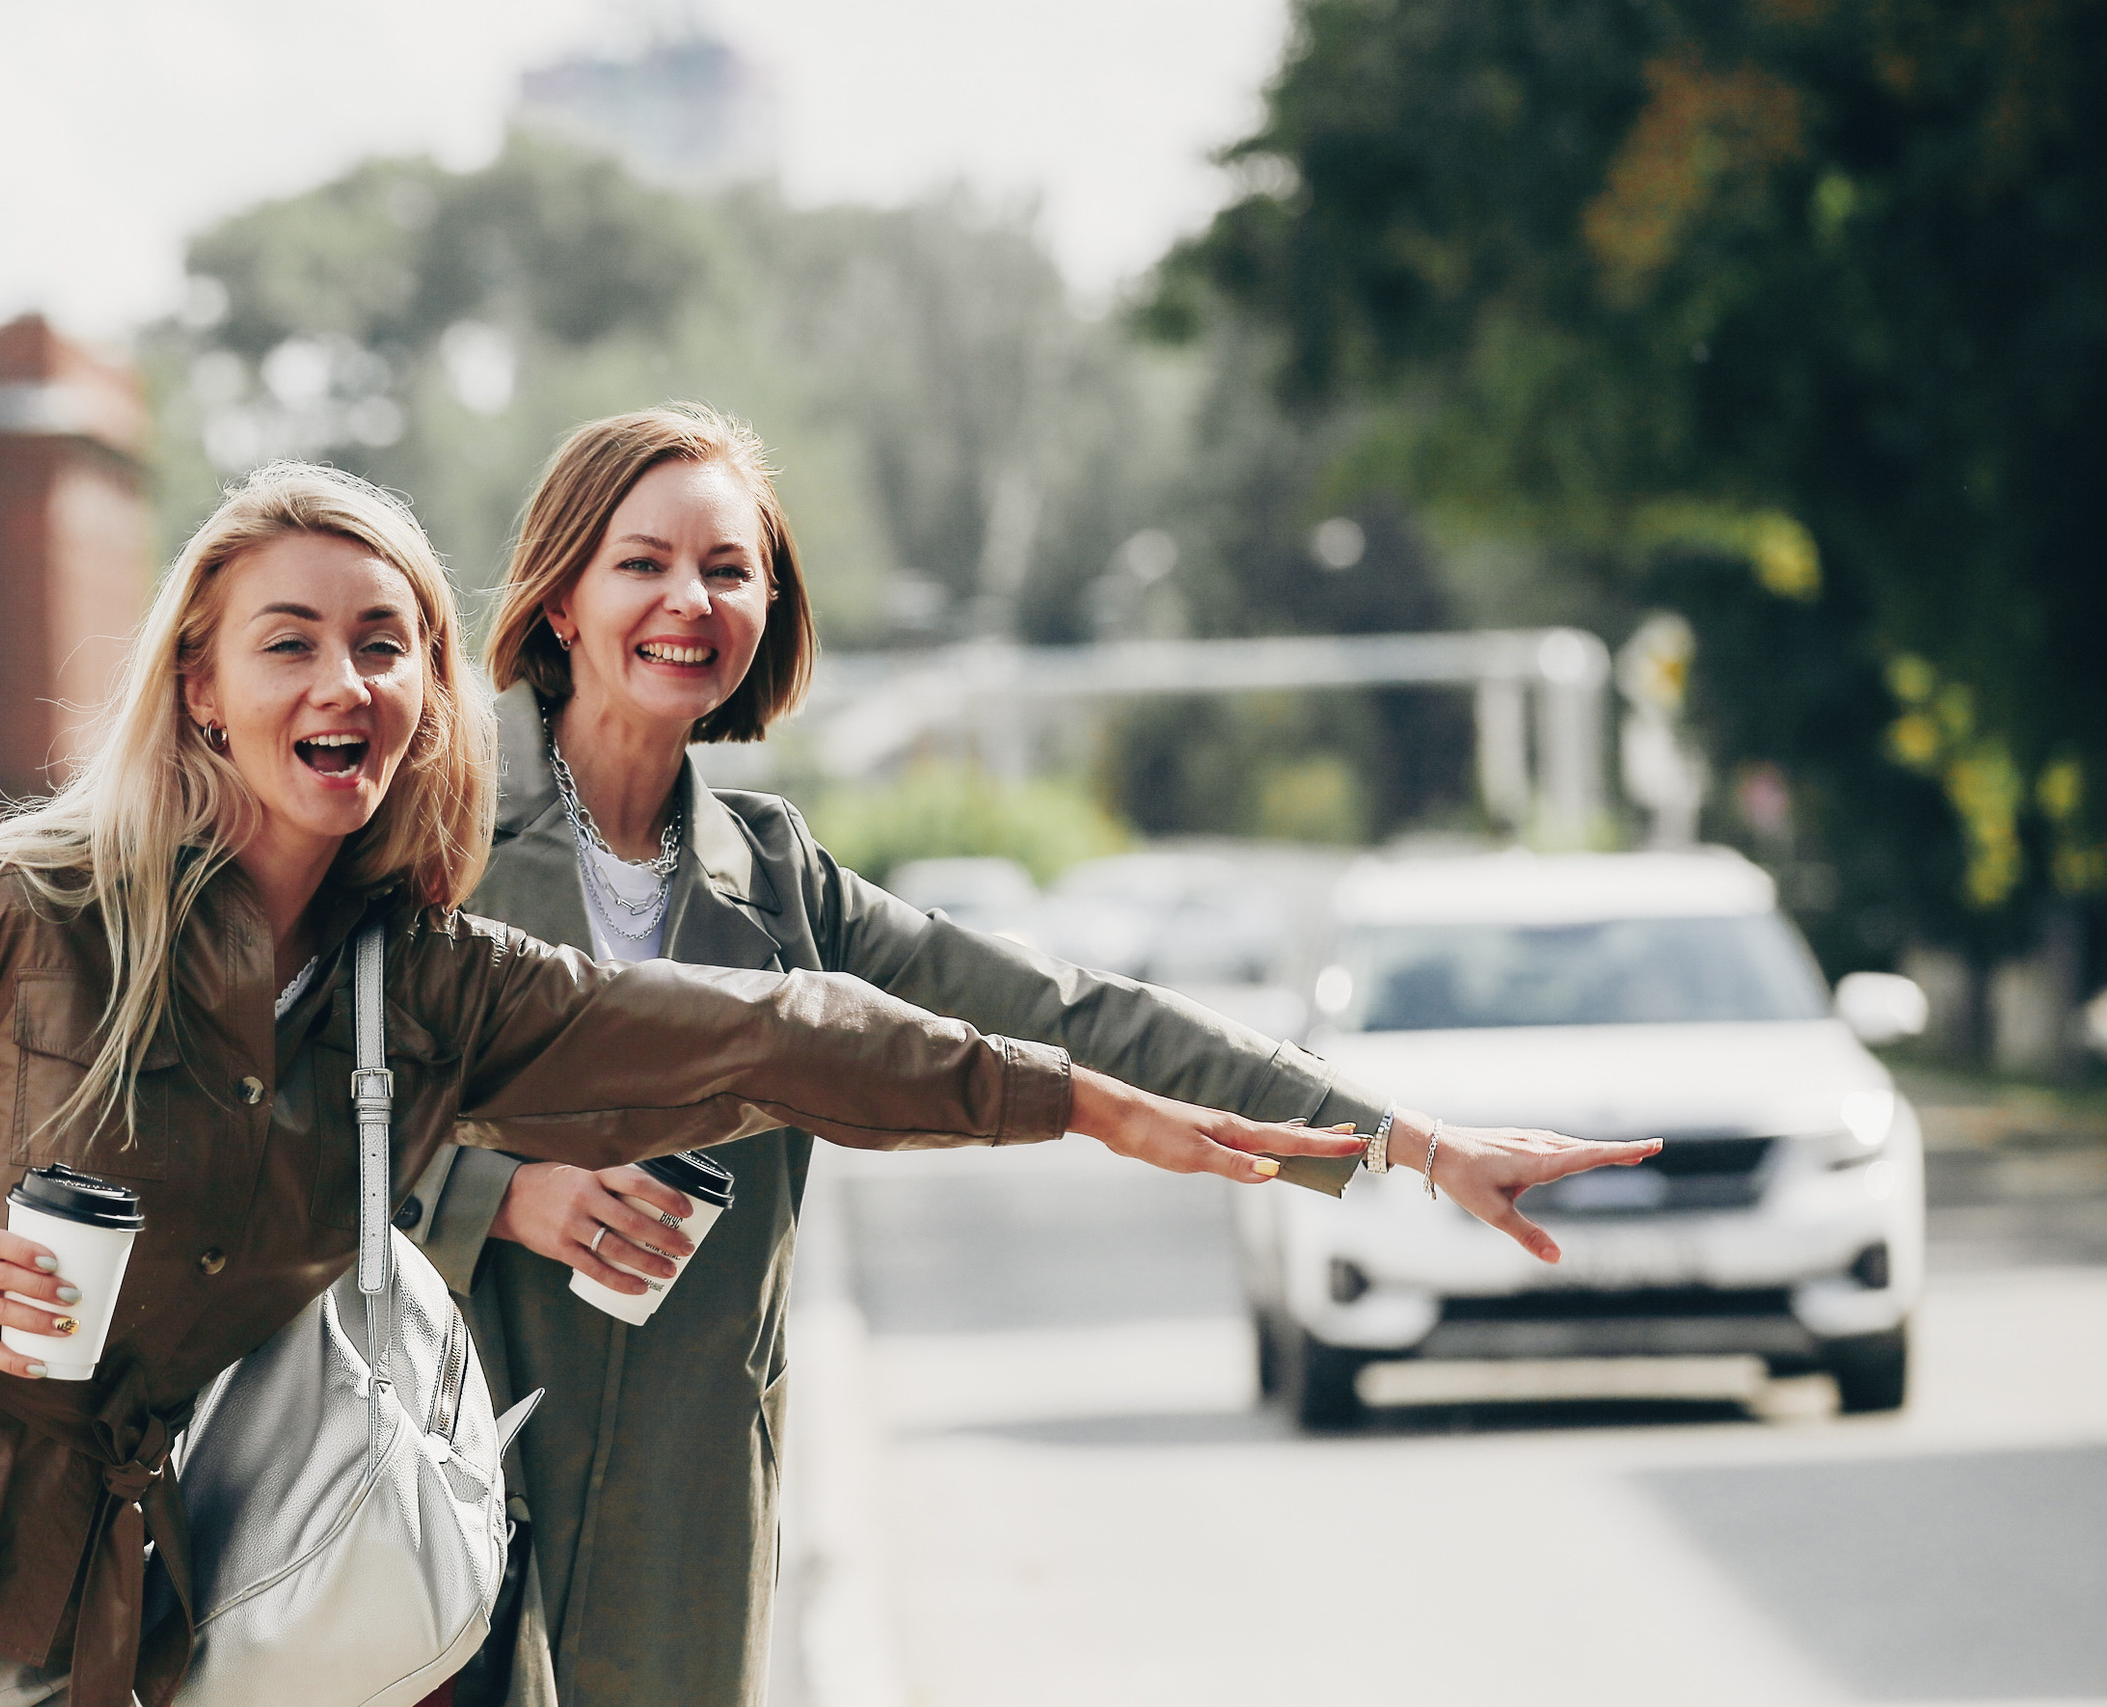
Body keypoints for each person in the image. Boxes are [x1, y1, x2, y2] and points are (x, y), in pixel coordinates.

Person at [0, 463, 1364, 1707]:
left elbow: (771, 1033)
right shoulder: (22, 910)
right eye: (289, 642)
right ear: (205, 692)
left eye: (384, 645)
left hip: (77, 1577)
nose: (344, 682)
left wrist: (1081, 1100)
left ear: (428, 700)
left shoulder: (433, 986)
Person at [408, 405, 1658, 1707]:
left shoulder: (778, 881)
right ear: (559, 600)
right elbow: (270, 1104)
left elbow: (1073, 1015)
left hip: (688, 1475)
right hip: (441, 1432)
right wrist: (506, 1198)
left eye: (729, 569)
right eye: (644, 563)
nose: (691, 600)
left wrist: (1411, 1140)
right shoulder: (429, 833)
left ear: (769, 607)